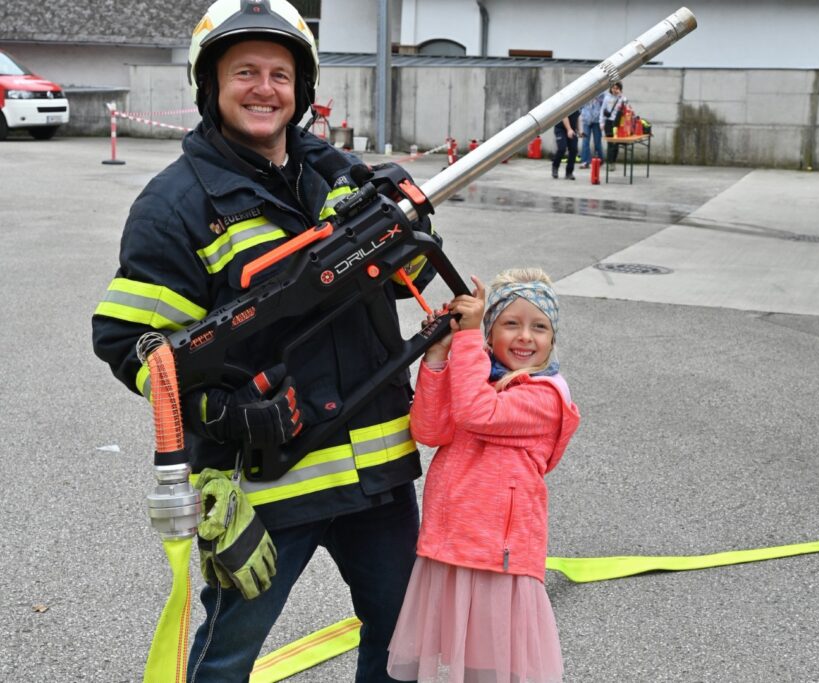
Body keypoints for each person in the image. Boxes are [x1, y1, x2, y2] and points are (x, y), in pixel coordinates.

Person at [91, 1, 438, 680]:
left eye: (280, 74)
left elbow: (414, 278)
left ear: (300, 90)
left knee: (404, 641)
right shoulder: (176, 206)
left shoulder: (341, 177)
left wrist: (408, 233)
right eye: (244, 71)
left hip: (377, 475)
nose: (264, 88)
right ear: (212, 86)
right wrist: (217, 412)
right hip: (266, 483)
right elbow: (129, 341)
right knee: (226, 659)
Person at [387, 268, 582, 683]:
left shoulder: (546, 396)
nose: (525, 336)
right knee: (465, 662)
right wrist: (439, 356)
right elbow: (430, 430)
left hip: (499, 556)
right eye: (511, 323)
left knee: (490, 669)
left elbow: (478, 413)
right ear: (492, 332)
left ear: (552, 339)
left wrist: (468, 340)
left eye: (539, 327)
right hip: (453, 543)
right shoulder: (475, 376)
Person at [601, 82, 628, 171]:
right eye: (613, 88)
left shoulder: (622, 99)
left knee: (616, 144)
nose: (615, 90)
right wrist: (601, 122)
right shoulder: (607, 98)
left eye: (617, 88)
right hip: (609, 123)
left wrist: (621, 97)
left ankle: (613, 162)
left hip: (618, 124)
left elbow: (626, 107)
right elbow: (602, 110)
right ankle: (609, 163)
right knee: (610, 143)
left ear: (620, 89)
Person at [578, 91, 605, 169]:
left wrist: (602, 121)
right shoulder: (584, 93)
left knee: (597, 141)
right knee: (585, 141)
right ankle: (585, 161)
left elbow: (603, 107)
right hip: (586, 120)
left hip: (597, 120)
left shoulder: (601, 93)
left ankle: (599, 160)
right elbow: (580, 106)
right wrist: (582, 114)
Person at [551, 109, 580, 180]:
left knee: (574, 149)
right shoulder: (568, 104)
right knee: (562, 148)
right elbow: (564, 116)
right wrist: (569, 129)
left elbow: (578, 118)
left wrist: (580, 131)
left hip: (572, 129)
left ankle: (569, 172)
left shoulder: (578, 105)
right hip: (560, 129)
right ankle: (555, 167)